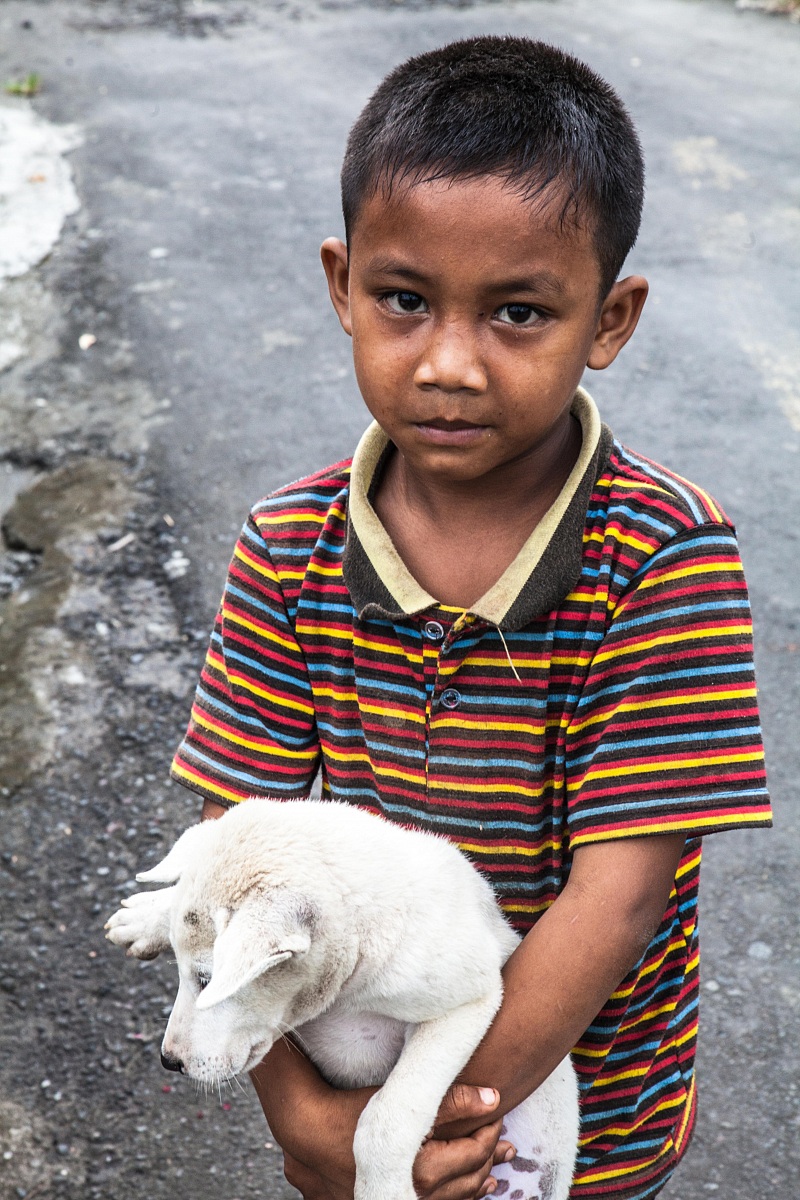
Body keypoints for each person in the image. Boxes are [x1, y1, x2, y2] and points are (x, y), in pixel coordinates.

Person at [170, 36, 772, 1200]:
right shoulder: (287, 545)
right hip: (346, 1092)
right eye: (404, 301)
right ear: (342, 285)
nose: (449, 362)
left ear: (609, 318)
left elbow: (620, 892)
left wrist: (427, 1133)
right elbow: (237, 857)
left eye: (517, 314)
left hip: (575, 1111)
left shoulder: (657, 554)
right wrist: (311, 1124)